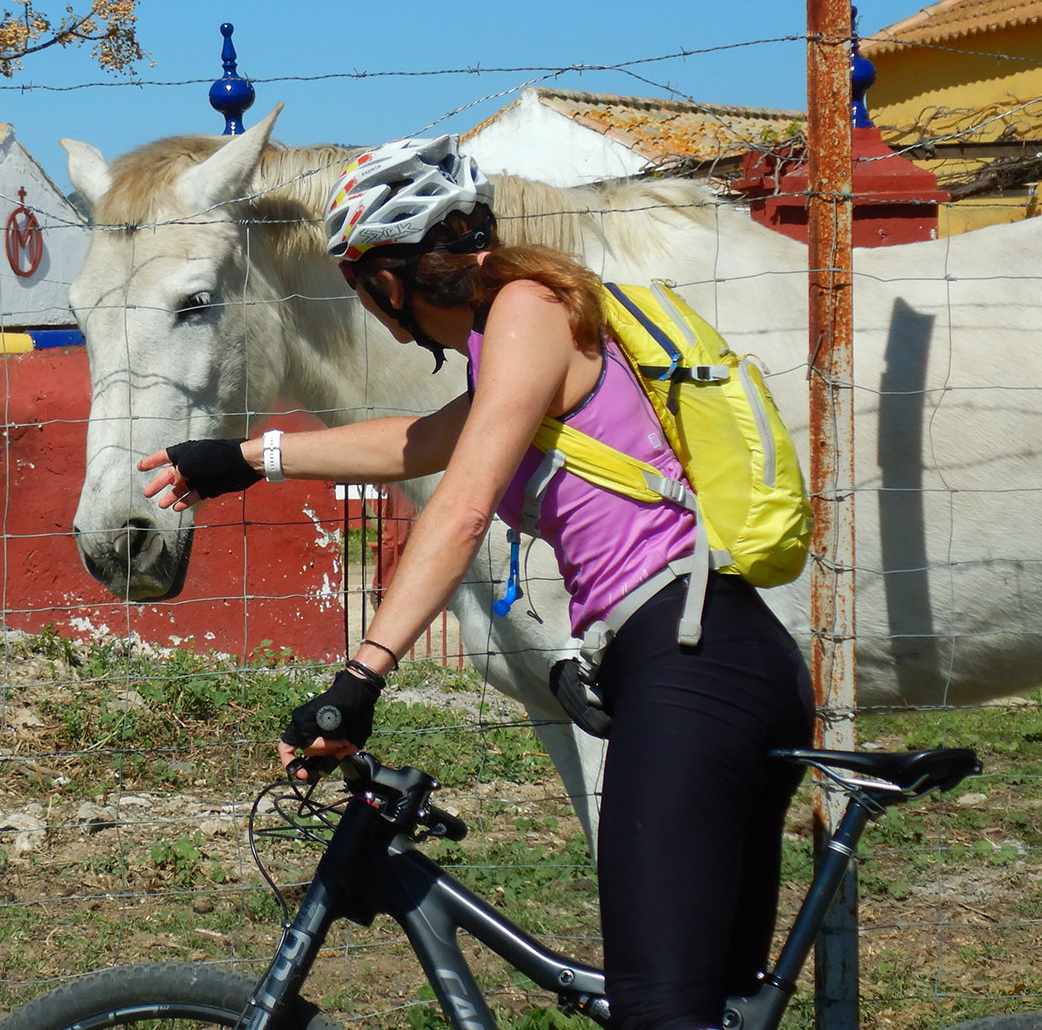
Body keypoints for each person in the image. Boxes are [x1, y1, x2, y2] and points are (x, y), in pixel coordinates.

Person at [137, 135, 814, 1030]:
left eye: (356, 283)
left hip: (691, 667)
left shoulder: (528, 311)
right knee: (707, 1006)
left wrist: (360, 676)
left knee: (661, 1012)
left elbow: (456, 509)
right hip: (711, 660)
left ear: (387, 279)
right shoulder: (525, 333)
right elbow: (418, 442)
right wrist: (249, 457)